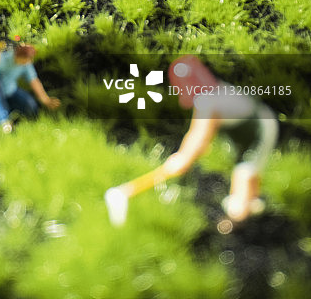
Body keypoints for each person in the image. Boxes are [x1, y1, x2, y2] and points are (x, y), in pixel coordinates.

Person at [105, 56, 278, 225]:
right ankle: (252, 204)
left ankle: (236, 221)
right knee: (246, 168)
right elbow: (195, 133)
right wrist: (183, 156)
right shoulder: (209, 95)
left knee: (245, 173)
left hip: (259, 132)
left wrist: (184, 159)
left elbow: (200, 138)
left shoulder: (209, 102)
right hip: (245, 129)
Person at [0, 43, 61, 133]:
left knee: (30, 104)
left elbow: (34, 81)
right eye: (26, 59)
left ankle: (32, 123)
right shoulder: (1, 59)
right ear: (18, 55)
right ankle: (5, 124)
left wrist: (46, 100)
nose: (29, 61)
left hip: (11, 91)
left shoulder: (26, 64)